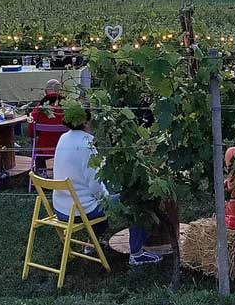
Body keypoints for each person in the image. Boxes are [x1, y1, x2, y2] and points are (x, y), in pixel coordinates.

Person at [52, 101, 161, 266]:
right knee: (138, 199)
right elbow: (96, 186)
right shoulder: (86, 146)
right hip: (81, 210)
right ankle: (137, 253)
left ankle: (92, 244)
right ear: (86, 121)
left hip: (61, 208)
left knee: (99, 196)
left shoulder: (63, 138)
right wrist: (111, 201)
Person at [29, 80, 65, 173]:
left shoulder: (39, 108)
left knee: (35, 144)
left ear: (45, 91)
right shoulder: (67, 107)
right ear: (60, 91)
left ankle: (41, 174)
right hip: (65, 147)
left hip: (44, 148)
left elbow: (31, 129)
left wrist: (34, 136)